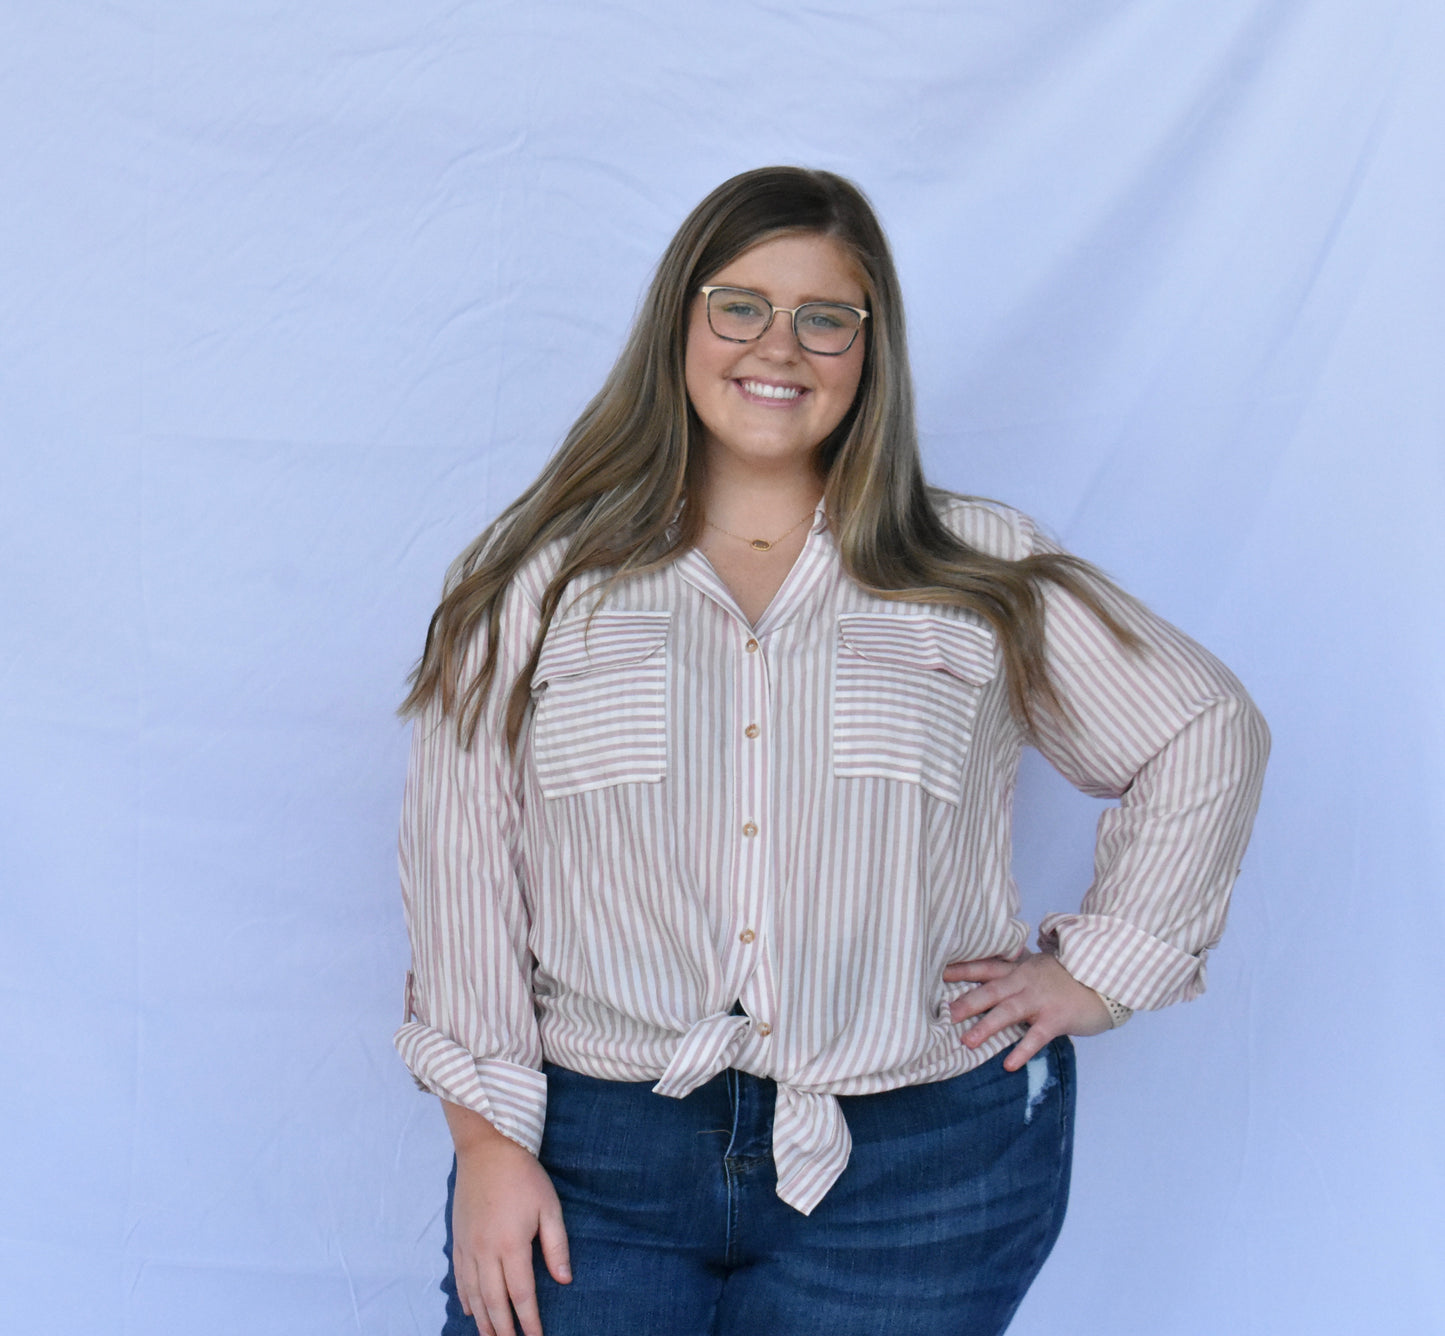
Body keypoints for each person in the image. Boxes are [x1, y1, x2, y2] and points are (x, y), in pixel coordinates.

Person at [394, 166, 1269, 1336]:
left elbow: (1203, 728)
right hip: (594, 1152)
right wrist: (487, 1147)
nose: (780, 346)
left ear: (869, 352)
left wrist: (1103, 970)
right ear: (680, 324)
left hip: (918, 1165)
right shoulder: (541, 580)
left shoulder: (976, 566)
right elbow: (461, 868)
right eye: (740, 305)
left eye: (826, 318)